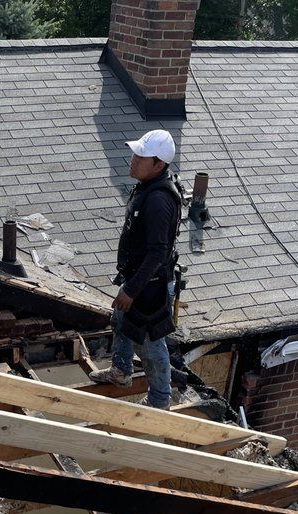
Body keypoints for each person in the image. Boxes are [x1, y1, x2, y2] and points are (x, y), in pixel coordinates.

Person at [89, 129, 183, 409]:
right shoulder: (147, 186)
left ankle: (159, 401)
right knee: (120, 319)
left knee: (151, 342)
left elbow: (157, 252)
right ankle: (121, 371)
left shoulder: (158, 200)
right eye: (135, 153)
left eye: (142, 156)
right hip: (139, 277)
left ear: (159, 165)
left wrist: (131, 290)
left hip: (150, 284)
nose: (133, 159)